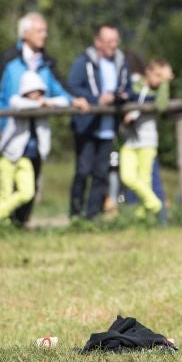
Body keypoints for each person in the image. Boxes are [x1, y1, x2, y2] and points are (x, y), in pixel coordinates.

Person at [0, 12, 87, 226]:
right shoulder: (8, 60)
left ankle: (20, 223)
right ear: (25, 33)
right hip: (11, 133)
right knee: (7, 183)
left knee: (30, 183)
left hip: (37, 133)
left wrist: (74, 100)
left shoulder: (47, 62)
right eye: (40, 30)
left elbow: (59, 86)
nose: (45, 35)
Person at [67, 25, 132, 220]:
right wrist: (97, 99)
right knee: (83, 171)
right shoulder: (83, 63)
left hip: (109, 129)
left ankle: (93, 215)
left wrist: (122, 97)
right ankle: (75, 214)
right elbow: (72, 87)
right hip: (87, 127)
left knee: (102, 173)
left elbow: (128, 87)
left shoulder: (121, 63)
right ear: (98, 42)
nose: (114, 45)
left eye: (115, 41)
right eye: (109, 41)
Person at [0, 71, 68, 222]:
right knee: (4, 193)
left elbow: (64, 101)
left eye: (37, 91)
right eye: (31, 91)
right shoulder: (17, 101)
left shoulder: (44, 104)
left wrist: (47, 103)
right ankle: (2, 225)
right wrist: (40, 103)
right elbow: (18, 103)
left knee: (27, 192)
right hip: (9, 155)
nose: (35, 94)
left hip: (26, 157)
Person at [118, 58, 173, 218]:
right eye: (157, 75)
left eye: (162, 77)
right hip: (130, 140)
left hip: (147, 141)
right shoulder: (135, 85)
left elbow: (162, 105)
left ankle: (142, 215)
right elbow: (127, 96)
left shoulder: (159, 92)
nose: (159, 79)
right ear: (148, 72)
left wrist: (165, 84)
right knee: (127, 177)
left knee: (145, 179)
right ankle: (156, 205)